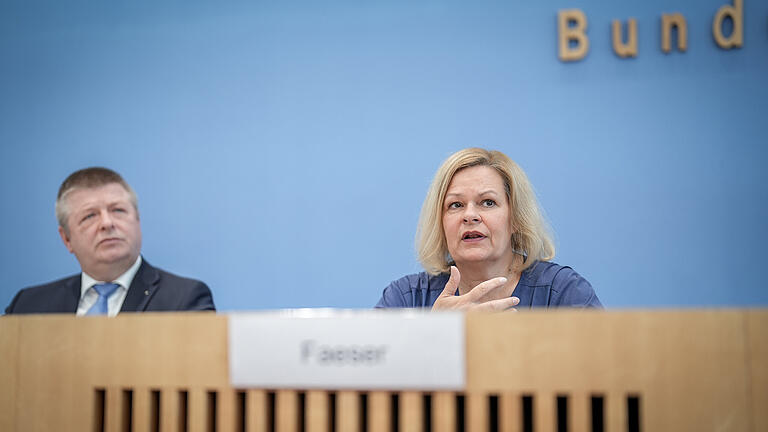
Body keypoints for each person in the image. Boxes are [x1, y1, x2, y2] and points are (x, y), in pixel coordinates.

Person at [375, 148, 601, 310]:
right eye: (456, 205)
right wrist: (436, 334)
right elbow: (369, 374)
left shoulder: (563, 292)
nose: (470, 215)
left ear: (515, 219)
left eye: (488, 202)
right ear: (441, 223)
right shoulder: (405, 299)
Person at [5, 167, 215, 315]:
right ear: (66, 238)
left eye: (118, 210)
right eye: (90, 216)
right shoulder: (29, 306)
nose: (107, 223)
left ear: (137, 221)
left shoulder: (184, 300)